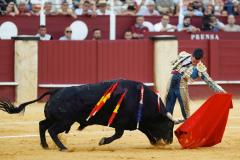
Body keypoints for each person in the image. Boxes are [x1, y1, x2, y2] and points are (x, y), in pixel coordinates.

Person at [165, 48, 226, 124]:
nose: (195, 63)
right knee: (168, 108)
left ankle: (187, 125)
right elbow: (173, 63)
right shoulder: (183, 55)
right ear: (192, 55)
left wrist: (221, 90)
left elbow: (209, 81)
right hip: (171, 82)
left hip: (182, 86)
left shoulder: (200, 67)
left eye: (197, 61)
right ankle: (166, 127)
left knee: (185, 108)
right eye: (194, 61)